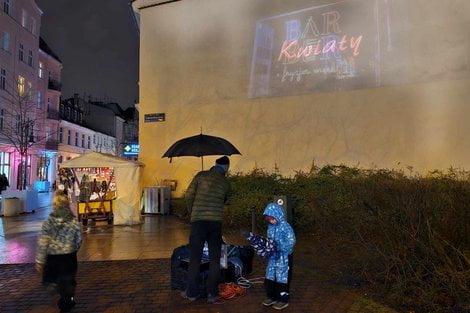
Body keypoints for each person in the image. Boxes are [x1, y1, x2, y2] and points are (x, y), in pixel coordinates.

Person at [182, 156, 231, 304]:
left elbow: (188, 195)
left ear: (215, 165)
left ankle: (191, 293)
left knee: (195, 258)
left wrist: (193, 213)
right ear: (226, 167)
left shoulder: (200, 175)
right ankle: (213, 294)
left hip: (198, 222)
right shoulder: (225, 182)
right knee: (215, 259)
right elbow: (224, 200)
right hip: (215, 223)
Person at [35, 190, 82, 313]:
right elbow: (79, 240)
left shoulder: (48, 222)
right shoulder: (73, 221)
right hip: (69, 257)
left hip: (53, 257)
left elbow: (43, 242)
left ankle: (58, 289)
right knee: (68, 280)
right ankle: (67, 300)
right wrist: (73, 248)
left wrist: (40, 261)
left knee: (54, 279)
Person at [262, 202, 296, 310]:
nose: (271, 221)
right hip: (273, 257)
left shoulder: (286, 227)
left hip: (284, 257)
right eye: (269, 219)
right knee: (270, 275)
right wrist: (267, 247)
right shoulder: (270, 227)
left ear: (278, 215)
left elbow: (291, 241)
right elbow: (269, 240)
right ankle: (271, 296)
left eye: (272, 218)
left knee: (282, 278)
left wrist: (279, 246)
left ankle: (283, 300)